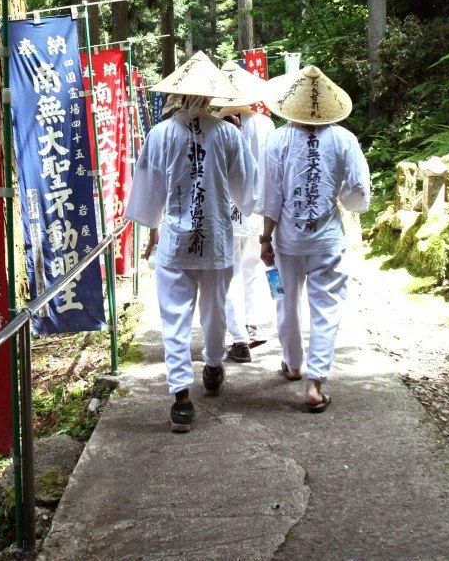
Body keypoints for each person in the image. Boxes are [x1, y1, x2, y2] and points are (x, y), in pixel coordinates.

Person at [124, 52, 257, 432]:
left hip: (174, 242)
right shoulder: (228, 132)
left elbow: (149, 190)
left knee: (174, 317)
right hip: (216, 240)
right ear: (214, 95)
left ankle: (182, 397)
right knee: (214, 312)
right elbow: (245, 187)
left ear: (179, 93)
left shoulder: (160, 133)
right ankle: (213, 364)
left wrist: (151, 231)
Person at [258, 65, 370, 413]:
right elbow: (357, 195)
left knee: (285, 301)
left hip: (287, 240)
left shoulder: (277, 139)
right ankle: (315, 383)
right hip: (327, 240)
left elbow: (269, 195)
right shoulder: (344, 139)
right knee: (326, 308)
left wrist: (265, 239)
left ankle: (293, 364)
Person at [212, 60, 276, 363]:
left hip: (223, 208)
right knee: (252, 267)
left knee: (230, 273)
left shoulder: (212, 125)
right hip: (258, 208)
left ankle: (237, 336)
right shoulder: (264, 123)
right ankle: (253, 322)